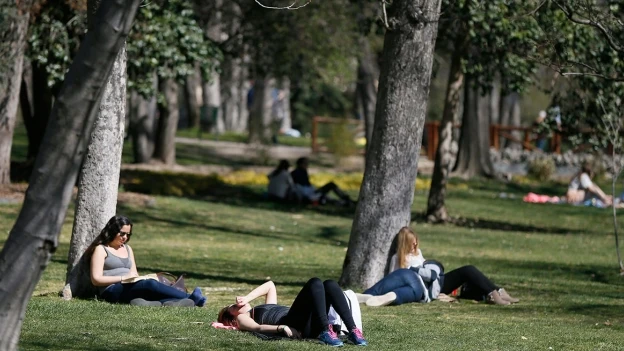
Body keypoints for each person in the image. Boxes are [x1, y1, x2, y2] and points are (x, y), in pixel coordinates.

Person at [357, 227, 519, 306]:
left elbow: (428, 268)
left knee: (468, 270)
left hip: (438, 282)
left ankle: (496, 291)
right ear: (404, 243)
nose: (415, 245)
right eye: (411, 243)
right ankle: (492, 295)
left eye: (416, 242)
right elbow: (395, 277)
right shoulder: (398, 259)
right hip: (426, 287)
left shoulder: (417, 252)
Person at [89, 215, 207, 307]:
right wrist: (123, 278)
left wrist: (136, 278)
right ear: (112, 231)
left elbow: (134, 274)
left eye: (128, 234)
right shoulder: (102, 249)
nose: (125, 237)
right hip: (111, 290)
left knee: (149, 287)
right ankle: (190, 297)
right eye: (122, 233)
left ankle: (164, 303)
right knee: (149, 284)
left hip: (128, 286)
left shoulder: (128, 249)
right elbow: (96, 280)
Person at [217, 279, 367, 346]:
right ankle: (324, 331)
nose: (238, 304)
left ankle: (354, 331)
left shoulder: (267, 306)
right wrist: (281, 328)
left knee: (329, 284)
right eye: (234, 307)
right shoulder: (243, 318)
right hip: (292, 323)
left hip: (307, 321)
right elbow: (257, 328)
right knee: (314, 282)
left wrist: (247, 297)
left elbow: (270, 285)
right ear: (232, 319)